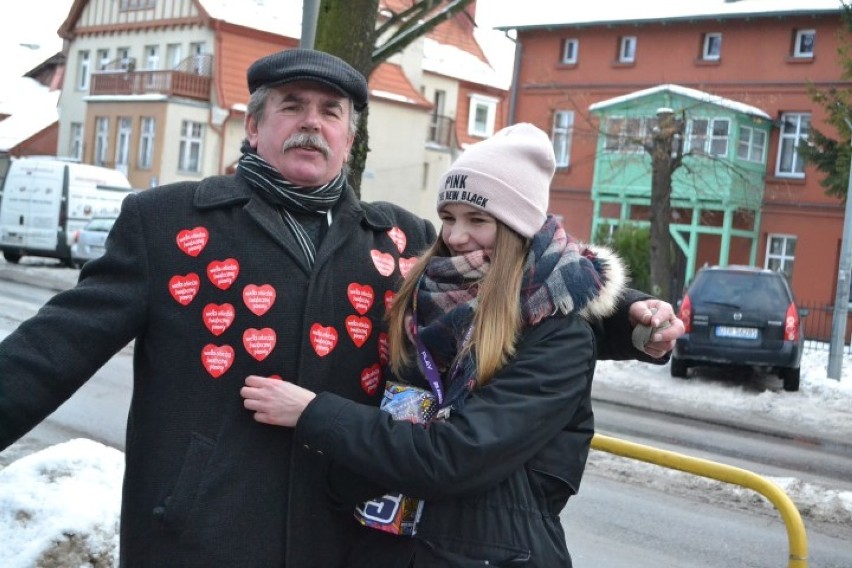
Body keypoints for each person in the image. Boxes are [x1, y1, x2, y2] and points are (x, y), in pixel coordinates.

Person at [0, 49, 680, 567]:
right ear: (254, 123)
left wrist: (636, 319)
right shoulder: (168, 225)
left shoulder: (399, 241)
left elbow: (524, 285)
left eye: (331, 113)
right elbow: (52, 349)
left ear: (350, 137)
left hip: (347, 539)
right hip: (203, 536)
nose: (312, 124)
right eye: (292, 106)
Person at [240, 123, 652, 566]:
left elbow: (455, 456)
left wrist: (313, 413)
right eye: (449, 218)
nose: (455, 237)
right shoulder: (422, 300)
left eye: (478, 220)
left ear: (519, 230)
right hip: (390, 545)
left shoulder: (559, 337)